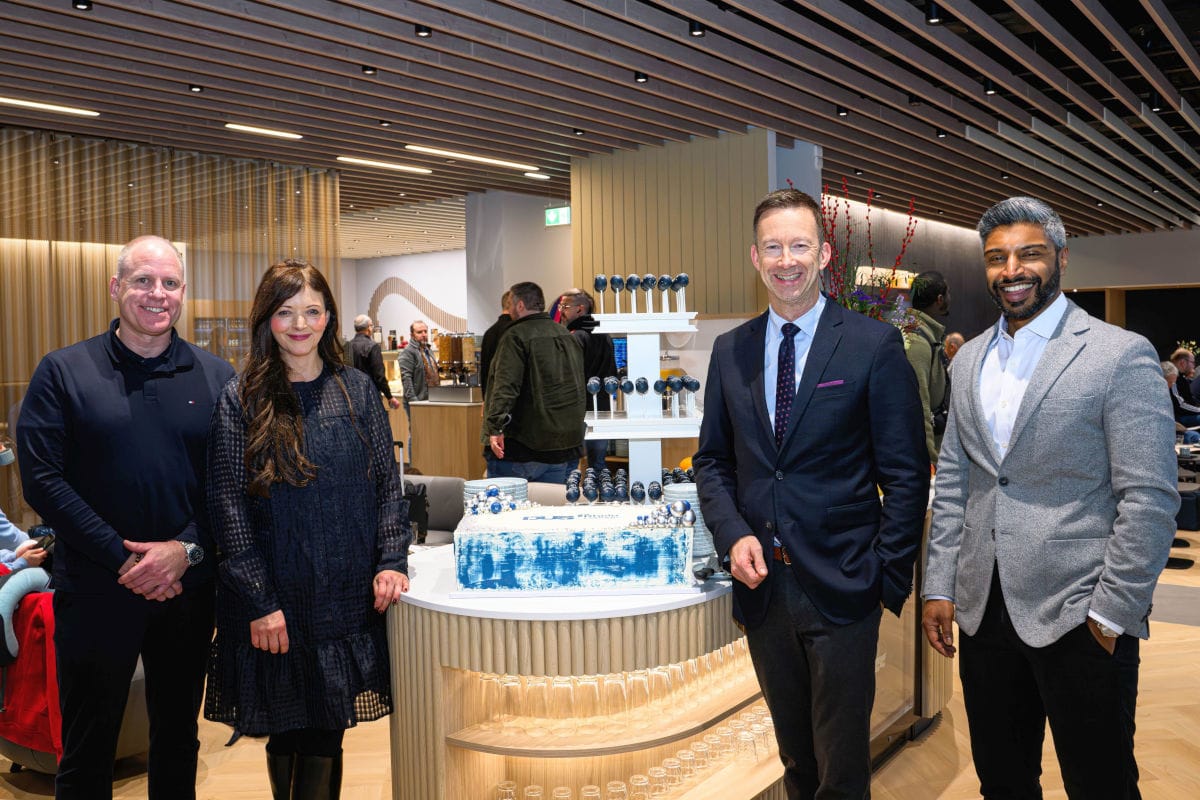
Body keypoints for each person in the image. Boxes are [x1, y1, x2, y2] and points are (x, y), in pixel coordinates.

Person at [922, 197, 1178, 800]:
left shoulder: (1119, 354)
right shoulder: (968, 363)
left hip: (1080, 614)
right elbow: (957, 483)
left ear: (1060, 258)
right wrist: (938, 587)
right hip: (983, 614)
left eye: (1029, 254)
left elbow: (1149, 498)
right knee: (1003, 783)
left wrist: (1112, 613)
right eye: (996, 258)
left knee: (1102, 783)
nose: (1012, 269)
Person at [694, 188, 930, 799]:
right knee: (795, 761)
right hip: (764, 589)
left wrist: (885, 575)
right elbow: (713, 461)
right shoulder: (730, 351)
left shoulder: (872, 346)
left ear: (825, 255)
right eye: (772, 247)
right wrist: (732, 532)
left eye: (800, 245)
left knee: (843, 771)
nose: (786, 259)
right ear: (754, 256)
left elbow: (906, 474)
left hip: (845, 587)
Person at [17, 234, 235, 800]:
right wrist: (126, 558)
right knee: (87, 748)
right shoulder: (63, 372)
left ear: (183, 293)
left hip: (187, 588)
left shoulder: (218, 379)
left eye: (169, 283)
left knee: (177, 740)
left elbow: (231, 487)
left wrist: (182, 552)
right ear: (116, 287)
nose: (156, 294)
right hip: (94, 588)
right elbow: (43, 481)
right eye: (142, 280)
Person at [204, 259, 410, 800]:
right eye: (286, 312)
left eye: (313, 311)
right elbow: (228, 507)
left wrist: (392, 560)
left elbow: (389, 487)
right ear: (266, 320)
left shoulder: (358, 391)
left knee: (327, 734)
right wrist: (258, 600)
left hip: (342, 600)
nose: (301, 324)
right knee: (286, 732)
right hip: (276, 602)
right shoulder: (241, 397)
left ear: (329, 318)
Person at [483, 281, 586, 484]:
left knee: (505, 512)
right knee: (553, 511)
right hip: (566, 446)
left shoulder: (515, 336)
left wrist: (494, 428)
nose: (509, 309)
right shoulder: (566, 335)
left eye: (511, 304)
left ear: (520, 305)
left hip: (523, 448)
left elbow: (506, 386)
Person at [560, 290, 617, 474]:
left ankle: (571, 501)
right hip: (602, 407)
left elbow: (568, 374)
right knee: (598, 463)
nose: (562, 311)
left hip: (578, 409)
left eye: (565, 306)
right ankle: (602, 498)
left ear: (580, 309)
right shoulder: (604, 335)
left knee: (570, 464)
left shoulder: (575, 336)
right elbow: (612, 373)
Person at [905, 270, 951, 465]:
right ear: (940, 299)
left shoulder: (923, 333)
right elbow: (919, 405)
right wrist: (930, 458)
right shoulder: (917, 340)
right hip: (922, 455)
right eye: (948, 293)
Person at [397, 320, 438, 461]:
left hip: (430, 400)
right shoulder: (408, 352)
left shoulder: (427, 350)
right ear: (412, 334)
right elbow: (406, 379)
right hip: (416, 401)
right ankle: (414, 465)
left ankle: (426, 462)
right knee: (415, 434)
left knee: (428, 434)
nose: (424, 335)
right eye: (419, 332)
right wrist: (414, 403)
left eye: (425, 331)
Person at [348, 314, 401, 410]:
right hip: (370, 395)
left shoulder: (348, 346)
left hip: (352, 395)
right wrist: (389, 396)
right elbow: (379, 376)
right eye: (371, 325)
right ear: (369, 328)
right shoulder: (373, 346)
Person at [478, 290, 513, 397]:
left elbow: (484, 370)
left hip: (492, 394)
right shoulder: (515, 331)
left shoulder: (489, 333)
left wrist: (485, 398)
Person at [1163, 360, 1200, 427]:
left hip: (1183, 413)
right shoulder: (1172, 384)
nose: (1171, 385)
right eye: (1170, 382)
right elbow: (1181, 405)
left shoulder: (1175, 382)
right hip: (1178, 417)